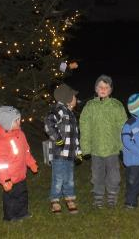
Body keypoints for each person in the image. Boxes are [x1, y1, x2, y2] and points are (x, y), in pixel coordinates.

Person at [79, 74, 127, 208]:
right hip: (96, 149)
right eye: (100, 87)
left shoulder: (116, 106)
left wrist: (123, 146)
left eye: (106, 87)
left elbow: (123, 127)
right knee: (97, 175)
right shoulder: (90, 106)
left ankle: (112, 195)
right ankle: (98, 196)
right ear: (96, 89)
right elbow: (85, 127)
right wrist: (86, 147)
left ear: (110, 90)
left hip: (112, 149)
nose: (103, 89)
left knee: (114, 175)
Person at [0, 106, 38, 221]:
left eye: (19, 119)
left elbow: (26, 151)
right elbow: (0, 165)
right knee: (11, 198)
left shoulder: (20, 135)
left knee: (22, 195)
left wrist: (32, 163)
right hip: (10, 178)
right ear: (7, 123)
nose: (19, 121)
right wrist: (5, 180)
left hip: (21, 175)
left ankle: (22, 213)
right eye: (16, 120)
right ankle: (10, 216)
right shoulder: (1, 143)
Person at [44, 83, 82, 214]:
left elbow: (75, 135)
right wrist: (58, 138)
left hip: (70, 154)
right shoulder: (59, 110)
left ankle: (69, 198)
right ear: (67, 98)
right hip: (59, 153)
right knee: (58, 177)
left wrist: (78, 152)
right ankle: (55, 200)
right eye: (74, 97)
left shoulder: (71, 114)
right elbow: (49, 123)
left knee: (69, 178)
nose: (76, 99)